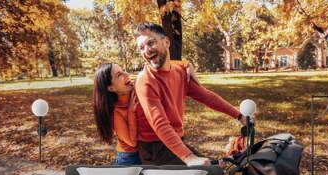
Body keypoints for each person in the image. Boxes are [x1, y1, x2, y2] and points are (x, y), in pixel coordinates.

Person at [134, 22, 249, 166]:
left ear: (167, 42)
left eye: (151, 43)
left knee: (217, 169)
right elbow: (160, 125)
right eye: (141, 48)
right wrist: (189, 158)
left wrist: (239, 116)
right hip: (154, 149)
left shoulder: (180, 72)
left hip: (174, 140)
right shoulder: (145, 80)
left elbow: (206, 96)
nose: (147, 50)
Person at [93, 61, 196, 165]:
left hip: (148, 150)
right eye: (119, 75)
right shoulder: (116, 114)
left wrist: (184, 64)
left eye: (123, 71)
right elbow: (132, 143)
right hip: (129, 158)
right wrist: (130, 112)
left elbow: (154, 66)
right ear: (111, 88)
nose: (126, 75)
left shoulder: (135, 89)